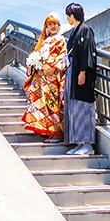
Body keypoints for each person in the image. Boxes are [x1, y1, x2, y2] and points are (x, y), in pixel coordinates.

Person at [21, 12, 67, 140]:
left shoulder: (60, 39)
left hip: (52, 76)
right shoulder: (44, 41)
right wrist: (34, 63)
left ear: (59, 26)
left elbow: (62, 56)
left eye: (55, 24)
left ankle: (57, 132)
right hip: (41, 77)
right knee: (42, 104)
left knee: (52, 104)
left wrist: (53, 68)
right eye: (49, 24)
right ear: (46, 27)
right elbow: (39, 56)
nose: (52, 27)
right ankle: (47, 130)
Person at [64, 2, 97, 155]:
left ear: (73, 15)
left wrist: (83, 71)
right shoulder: (74, 32)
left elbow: (86, 52)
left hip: (81, 73)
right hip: (72, 72)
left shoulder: (86, 30)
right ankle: (78, 143)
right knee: (75, 108)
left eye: (68, 15)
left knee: (84, 108)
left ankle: (87, 144)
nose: (67, 19)